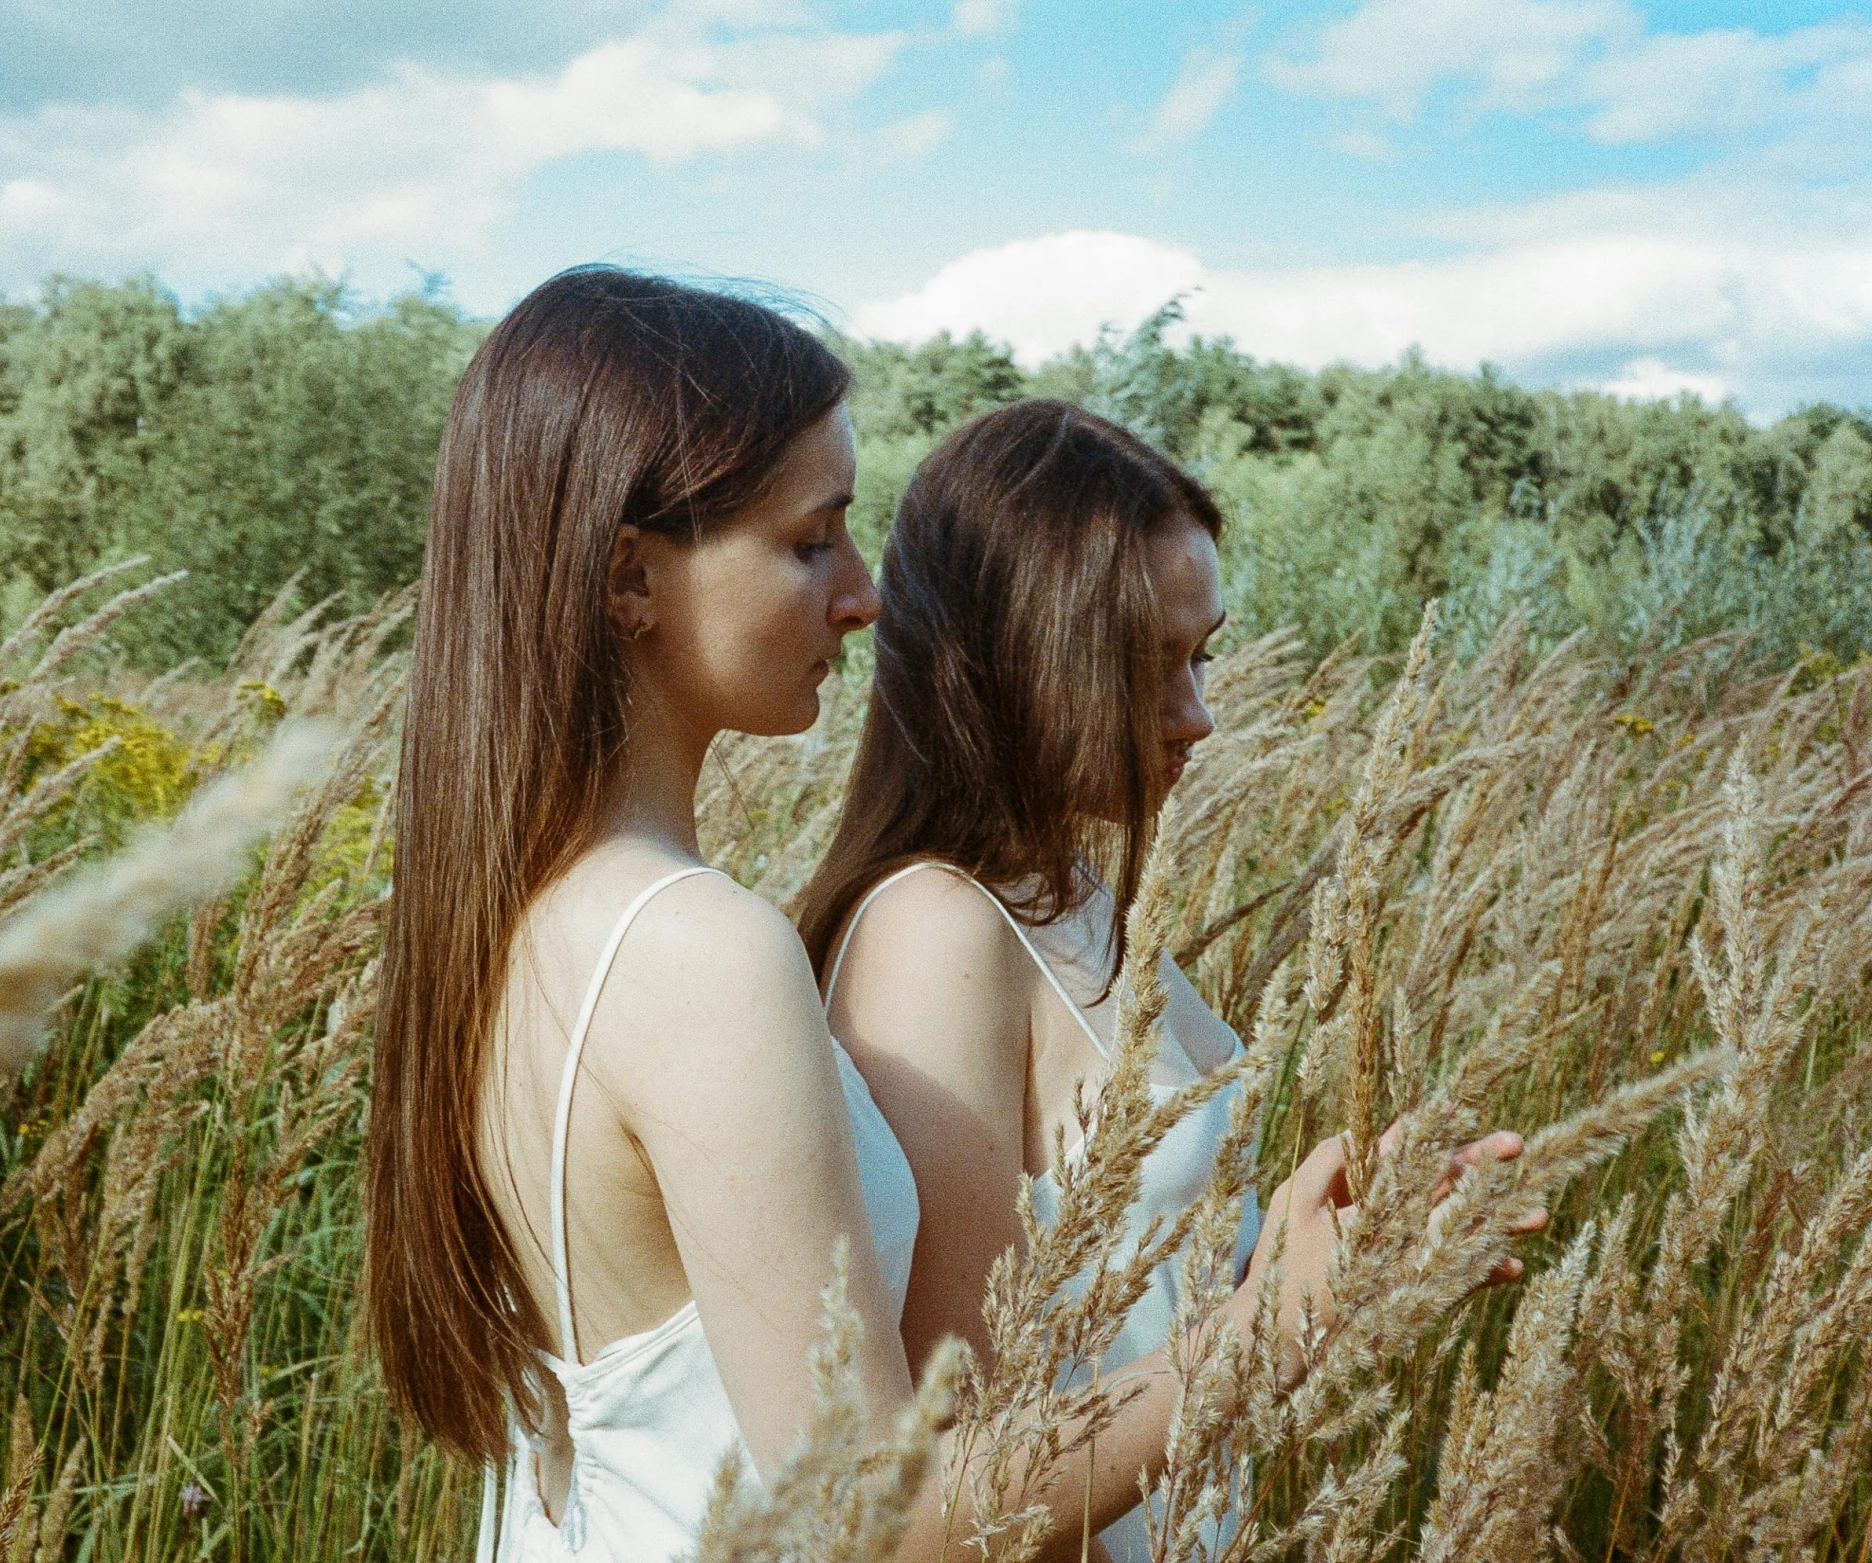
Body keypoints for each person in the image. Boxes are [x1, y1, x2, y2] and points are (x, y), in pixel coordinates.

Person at [365, 274, 1492, 1563]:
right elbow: (872, 1519)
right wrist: (1258, 1338)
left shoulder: (536, 919)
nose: (861, 593)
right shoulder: (695, 949)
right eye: (808, 542)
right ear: (630, 577)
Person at [800, 399, 1535, 1559]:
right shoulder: (934, 935)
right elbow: (962, 1477)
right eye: (1145, 669)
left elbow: (1138, 1294)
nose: (1196, 716)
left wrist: (1330, 1247)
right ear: (1011, 656)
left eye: (1201, 656)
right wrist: (1269, 1324)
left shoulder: (1069, 894)